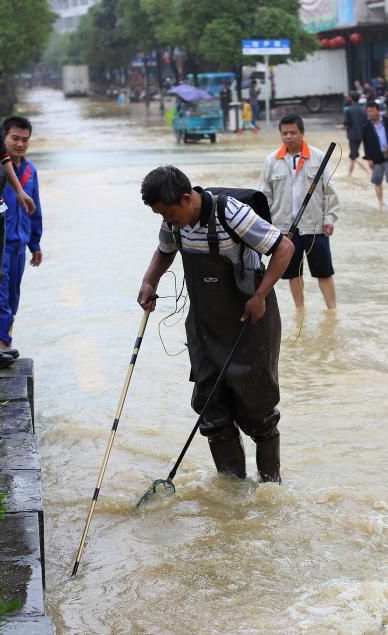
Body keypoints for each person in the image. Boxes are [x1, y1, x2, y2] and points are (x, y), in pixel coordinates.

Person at [138, 166, 294, 482]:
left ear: (185, 199)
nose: (166, 221)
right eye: (160, 216)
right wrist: (148, 281)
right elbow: (164, 250)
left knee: (258, 413)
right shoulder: (174, 223)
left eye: (168, 213)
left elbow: (284, 248)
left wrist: (260, 295)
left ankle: (270, 489)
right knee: (212, 412)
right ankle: (231, 496)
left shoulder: (230, 214)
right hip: (204, 326)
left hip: (250, 320)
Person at [259, 114, 340, 310]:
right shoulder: (272, 161)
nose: (288, 136)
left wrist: (329, 218)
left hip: (314, 226)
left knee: (324, 271)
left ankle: (332, 311)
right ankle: (300, 312)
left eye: (292, 132)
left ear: (302, 133)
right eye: (284, 133)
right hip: (285, 228)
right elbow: (264, 195)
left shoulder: (318, 157)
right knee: (293, 273)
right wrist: (266, 224)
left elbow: (330, 191)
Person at [0, 116, 42, 357]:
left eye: (25, 140)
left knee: (12, 297)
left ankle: (5, 342)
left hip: (19, 246)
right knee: (0, 297)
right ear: (3, 139)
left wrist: (35, 244)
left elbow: (36, 210)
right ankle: (0, 345)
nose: (20, 144)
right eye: (15, 138)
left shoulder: (30, 171)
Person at [362, 101, 388, 207]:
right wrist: (369, 159)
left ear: (378, 111)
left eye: (372, 111)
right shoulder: (366, 127)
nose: (370, 113)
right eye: (368, 111)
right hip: (376, 157)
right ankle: (381, 203)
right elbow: (366, 144)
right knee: (377, 181)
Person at [343, 92, 369, 175]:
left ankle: (368, 171)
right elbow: (366, 123)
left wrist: (343, 126)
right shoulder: (363, 110)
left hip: (352, 135)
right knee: (353, 154)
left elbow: (347, 123)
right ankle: (349, 174)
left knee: (353, 155)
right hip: (361, 135)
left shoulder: (349, 110)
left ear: (350, 99)